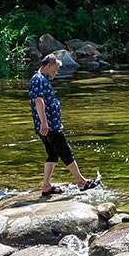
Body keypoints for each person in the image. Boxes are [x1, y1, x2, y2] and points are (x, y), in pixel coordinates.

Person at [30, 53, 100, 196]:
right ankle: (81, 182)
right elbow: (38, 101)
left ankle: (46, 186)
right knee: (66, 152)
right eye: (55, 69)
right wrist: (44, 123)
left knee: (53, 154)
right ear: (48, 65)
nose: (56, 72)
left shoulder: (41, 79)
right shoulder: (38, 79)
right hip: (50, 126)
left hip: (47, 125)